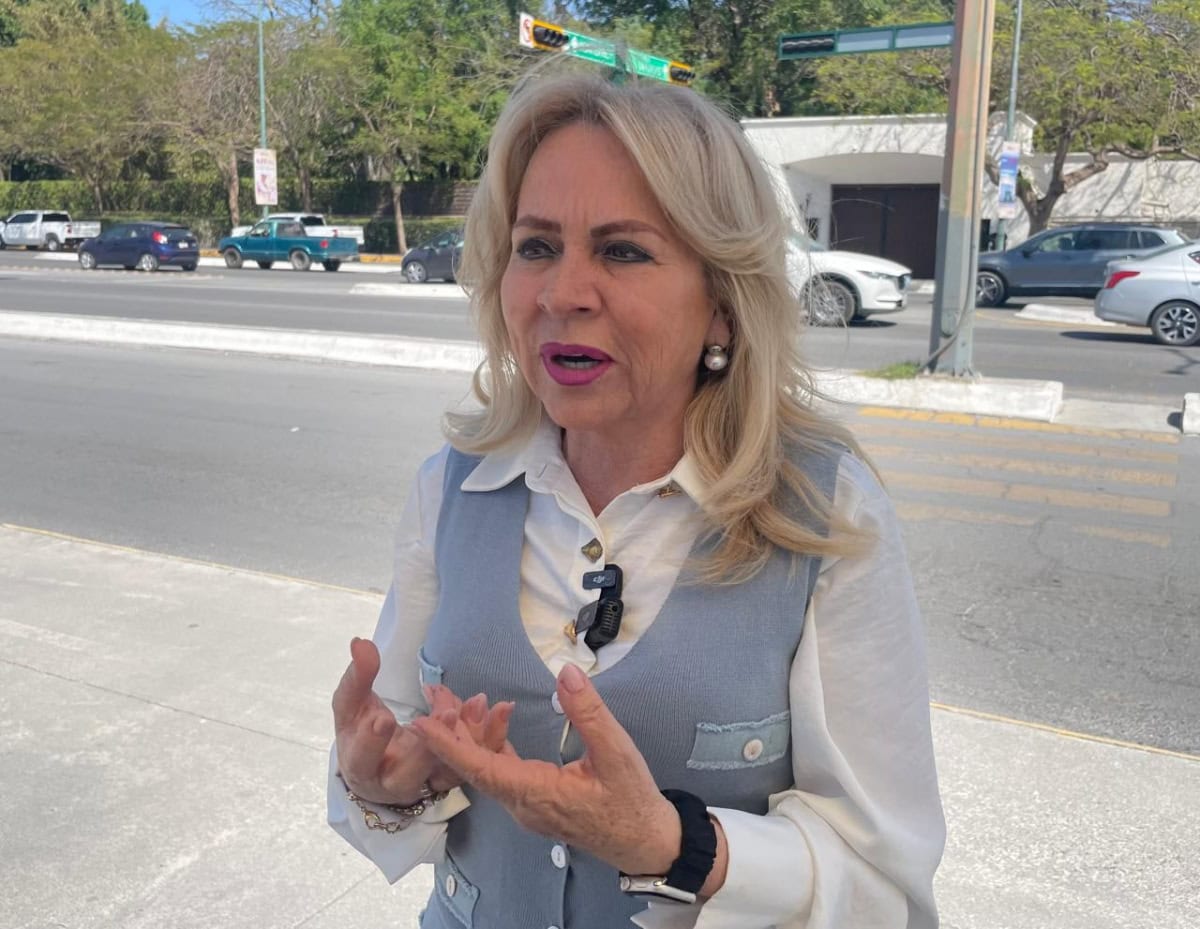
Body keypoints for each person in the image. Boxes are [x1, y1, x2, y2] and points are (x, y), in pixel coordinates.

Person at [328, 68, 945, 929]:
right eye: (536, 247)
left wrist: (676, 844)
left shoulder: (824, 509)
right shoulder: (452, 484)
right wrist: (382, 785)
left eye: (623, 251)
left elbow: (883, 884)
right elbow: (395, 744)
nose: (562, 294)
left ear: (722, 305)